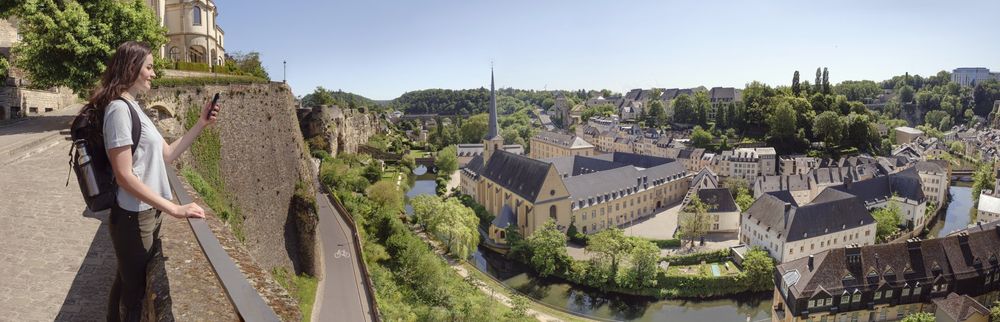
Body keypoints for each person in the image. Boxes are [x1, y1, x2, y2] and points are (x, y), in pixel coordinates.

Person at [90, 41, 220, 321]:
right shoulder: (118, 110)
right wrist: (175, 209)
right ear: (132, 67)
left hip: (147, 213)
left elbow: (169, 154)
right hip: (133, 217)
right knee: (133, 293)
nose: (153, 73)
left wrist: (201, 123)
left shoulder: (135, 108)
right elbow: (124, 175)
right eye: (149, 67)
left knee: (127, 282)